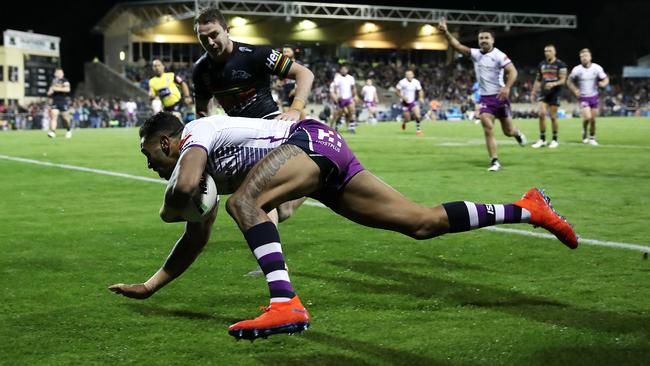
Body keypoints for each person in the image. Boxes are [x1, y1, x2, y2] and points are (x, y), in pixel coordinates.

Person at [109, 112, 578, 341]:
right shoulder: (202, 165)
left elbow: (185, 188)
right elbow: (195, 235)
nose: (149, 164)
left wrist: (168, 208)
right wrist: (151, 287)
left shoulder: (195, 135)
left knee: (245, 201)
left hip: (308, 142)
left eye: (148, 155)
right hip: (320, 152)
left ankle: (285, 303)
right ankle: (529, 208)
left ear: (166, 142)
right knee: (421, 222)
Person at [192, 8, 314, 121]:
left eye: (214, 35)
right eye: (203, 38)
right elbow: (202, 111)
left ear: (227, 31)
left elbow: (305, 73)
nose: (210, 42)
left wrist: (296, 109)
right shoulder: (200, 69)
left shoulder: (256, 54)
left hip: (268, 120)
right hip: (236, 129)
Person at [438, 18, 527, 171]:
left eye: (486, 38)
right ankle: (494, 161)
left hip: (500, 97)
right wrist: (446, 32)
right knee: (487, 127)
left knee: (508, 132)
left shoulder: (499, 55)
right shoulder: (476, 54)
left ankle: (517, 133)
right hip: (486, 98)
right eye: (481, 38)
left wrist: (507, 87)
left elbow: (513, 71)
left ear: (492, 40)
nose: (483, 40)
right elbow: (457, 46)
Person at [567, 48, 609, 146]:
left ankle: (592, 138)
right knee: (588, 117)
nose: (584, 58)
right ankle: (584, 131)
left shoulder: (597, 68)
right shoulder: (577, 69)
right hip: (583, 97)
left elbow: (605, 79)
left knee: (593, 120)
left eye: (586, 56)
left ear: (590, 57)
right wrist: (575, 90)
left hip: (594, 97)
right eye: (582, 57)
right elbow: (569, 81)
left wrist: (603, 83)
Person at [531, 45, 568, 149]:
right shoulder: (542, 65)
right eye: (545, 51)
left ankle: (554, 140)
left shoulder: (561, 64)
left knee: (553, 117)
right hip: (544, 92)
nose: (547, 53)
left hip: (555, 92)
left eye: (549, 51)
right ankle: (542, 139)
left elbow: (563, 80)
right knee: (541, 114)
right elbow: (538, 79)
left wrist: (553, 84)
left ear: (554, 52)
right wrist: (533, 92)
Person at [330, 65, 358, 133]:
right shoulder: (338, 78)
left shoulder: (351, 78)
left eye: (345, 69)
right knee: (339, 113)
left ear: (347, 70)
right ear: (340, 70)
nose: (343, 71)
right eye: (342, 69)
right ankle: (336, 125)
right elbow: (335, 88)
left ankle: (351, 127)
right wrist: (337, 95)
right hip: (341, 99)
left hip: (348, 98)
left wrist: (355, 95)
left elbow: (353, 87)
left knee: (351, 111)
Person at [396, 70, 425, 135]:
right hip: (404, 103)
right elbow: (396, 92)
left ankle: (418, 131)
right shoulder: (402, 82)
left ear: (413, 75)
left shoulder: (416, 82)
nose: (409, 76)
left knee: (418, 115)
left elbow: (420, 90)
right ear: (405, 76)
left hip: (412, 101)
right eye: (407, 75)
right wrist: (402, 97)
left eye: (410, 74)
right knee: (408, 119)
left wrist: (421, 97)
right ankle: (404, 122)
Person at [46, 68, 72, 139]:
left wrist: (57, 89)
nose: (59, 74)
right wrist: (49, 92)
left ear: (62, 74)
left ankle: (68, 130)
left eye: (60, 72)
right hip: (55, 101)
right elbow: (49, 92)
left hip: (63, 101)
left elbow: (67, 89)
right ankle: (53, 132)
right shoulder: (52, 82)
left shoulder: (65, 81)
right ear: (55, 74)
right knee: (53, 116)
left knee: (65, 118)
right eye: (57, 72)